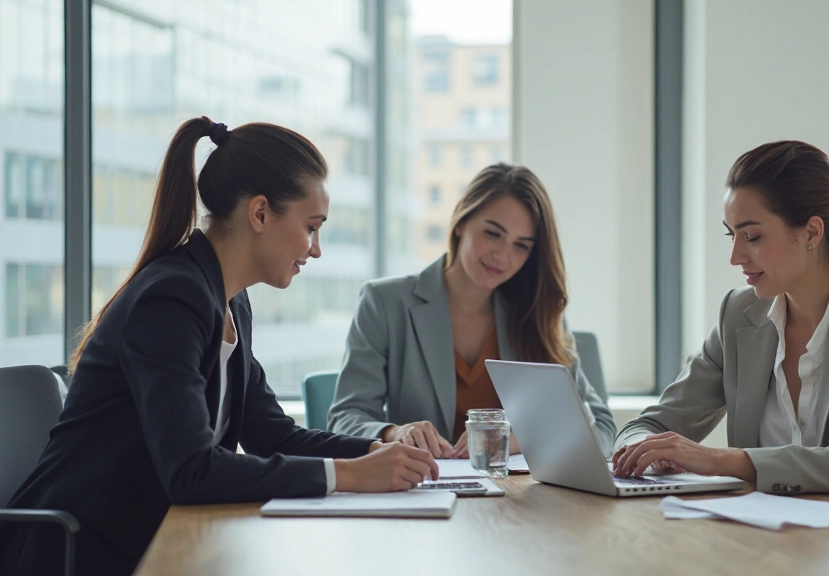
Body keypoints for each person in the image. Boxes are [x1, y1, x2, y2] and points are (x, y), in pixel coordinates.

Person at [0, 117, 438, 576]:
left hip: (159, 540)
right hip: (83, 552)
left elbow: (274, 435)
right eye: (312, 227)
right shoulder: (170, 299)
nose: (316, 249)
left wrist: (377, 450)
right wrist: (348, 476)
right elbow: (191, 471)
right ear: (261, 213)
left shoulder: (229, 300)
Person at [612, 140, 829, 514]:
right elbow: (653, 422)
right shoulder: (739, 314)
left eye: (753, 236)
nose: (735, 256)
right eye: (732, 235)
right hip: (787, 535)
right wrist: (646, 449)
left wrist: (717, 460)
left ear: (811, 232)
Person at [327, 163, 616, 458]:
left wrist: (515, 441)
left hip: (519, 496)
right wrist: (395, 433)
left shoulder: (539, 311)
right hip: (422, 489)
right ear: (461, 221)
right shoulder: (384, 303)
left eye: (521, 246)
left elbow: (602, 429)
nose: (502, 256)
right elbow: (345, 418)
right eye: (492, 234)